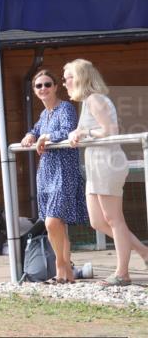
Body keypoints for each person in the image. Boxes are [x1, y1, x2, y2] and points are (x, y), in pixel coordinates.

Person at [64, 59, 148, 286]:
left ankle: (122, 273)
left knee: (113, 219)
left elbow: (110, 130)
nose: (65, 83)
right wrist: (77, 133)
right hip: (96, 164)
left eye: (67, 78)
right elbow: (89, 130)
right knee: (97, 221)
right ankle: (143, 251)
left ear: (80, 78)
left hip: (107, 163)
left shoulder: (95, 99)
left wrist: (84, 133)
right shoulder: (87, 102)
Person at [20, 69, 88, 284]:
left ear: (56, 86)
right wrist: (32, 134)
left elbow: (69, 131)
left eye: (47, 84)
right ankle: (65, 274)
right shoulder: (44, 114)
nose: (43, 89)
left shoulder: (65, 108)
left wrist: (47, 137)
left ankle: (61, 264)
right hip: (46, 172)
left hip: (63, 172)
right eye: (38, 86)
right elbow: (36, 128)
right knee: (56, 225)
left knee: (51, 222)